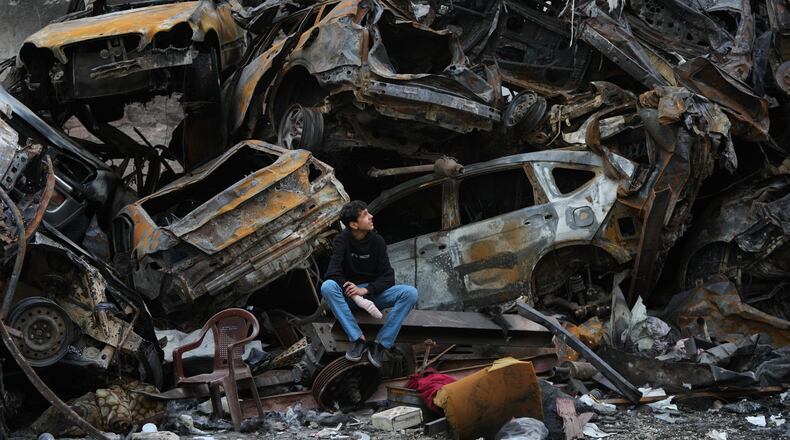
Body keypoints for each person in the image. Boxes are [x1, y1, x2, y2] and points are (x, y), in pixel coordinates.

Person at [321, 200, 418, 367]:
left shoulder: (377, 241)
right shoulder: (342, 240)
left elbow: (388, 277)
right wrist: (352, 290)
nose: (371, 216)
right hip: (350, 297)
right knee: (327, 286)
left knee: (410, 293)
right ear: (353, 224)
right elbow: (332, 272)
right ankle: (358, 340)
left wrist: (365, 290)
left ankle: (381, 345)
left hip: (372, 295)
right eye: (365, 215)